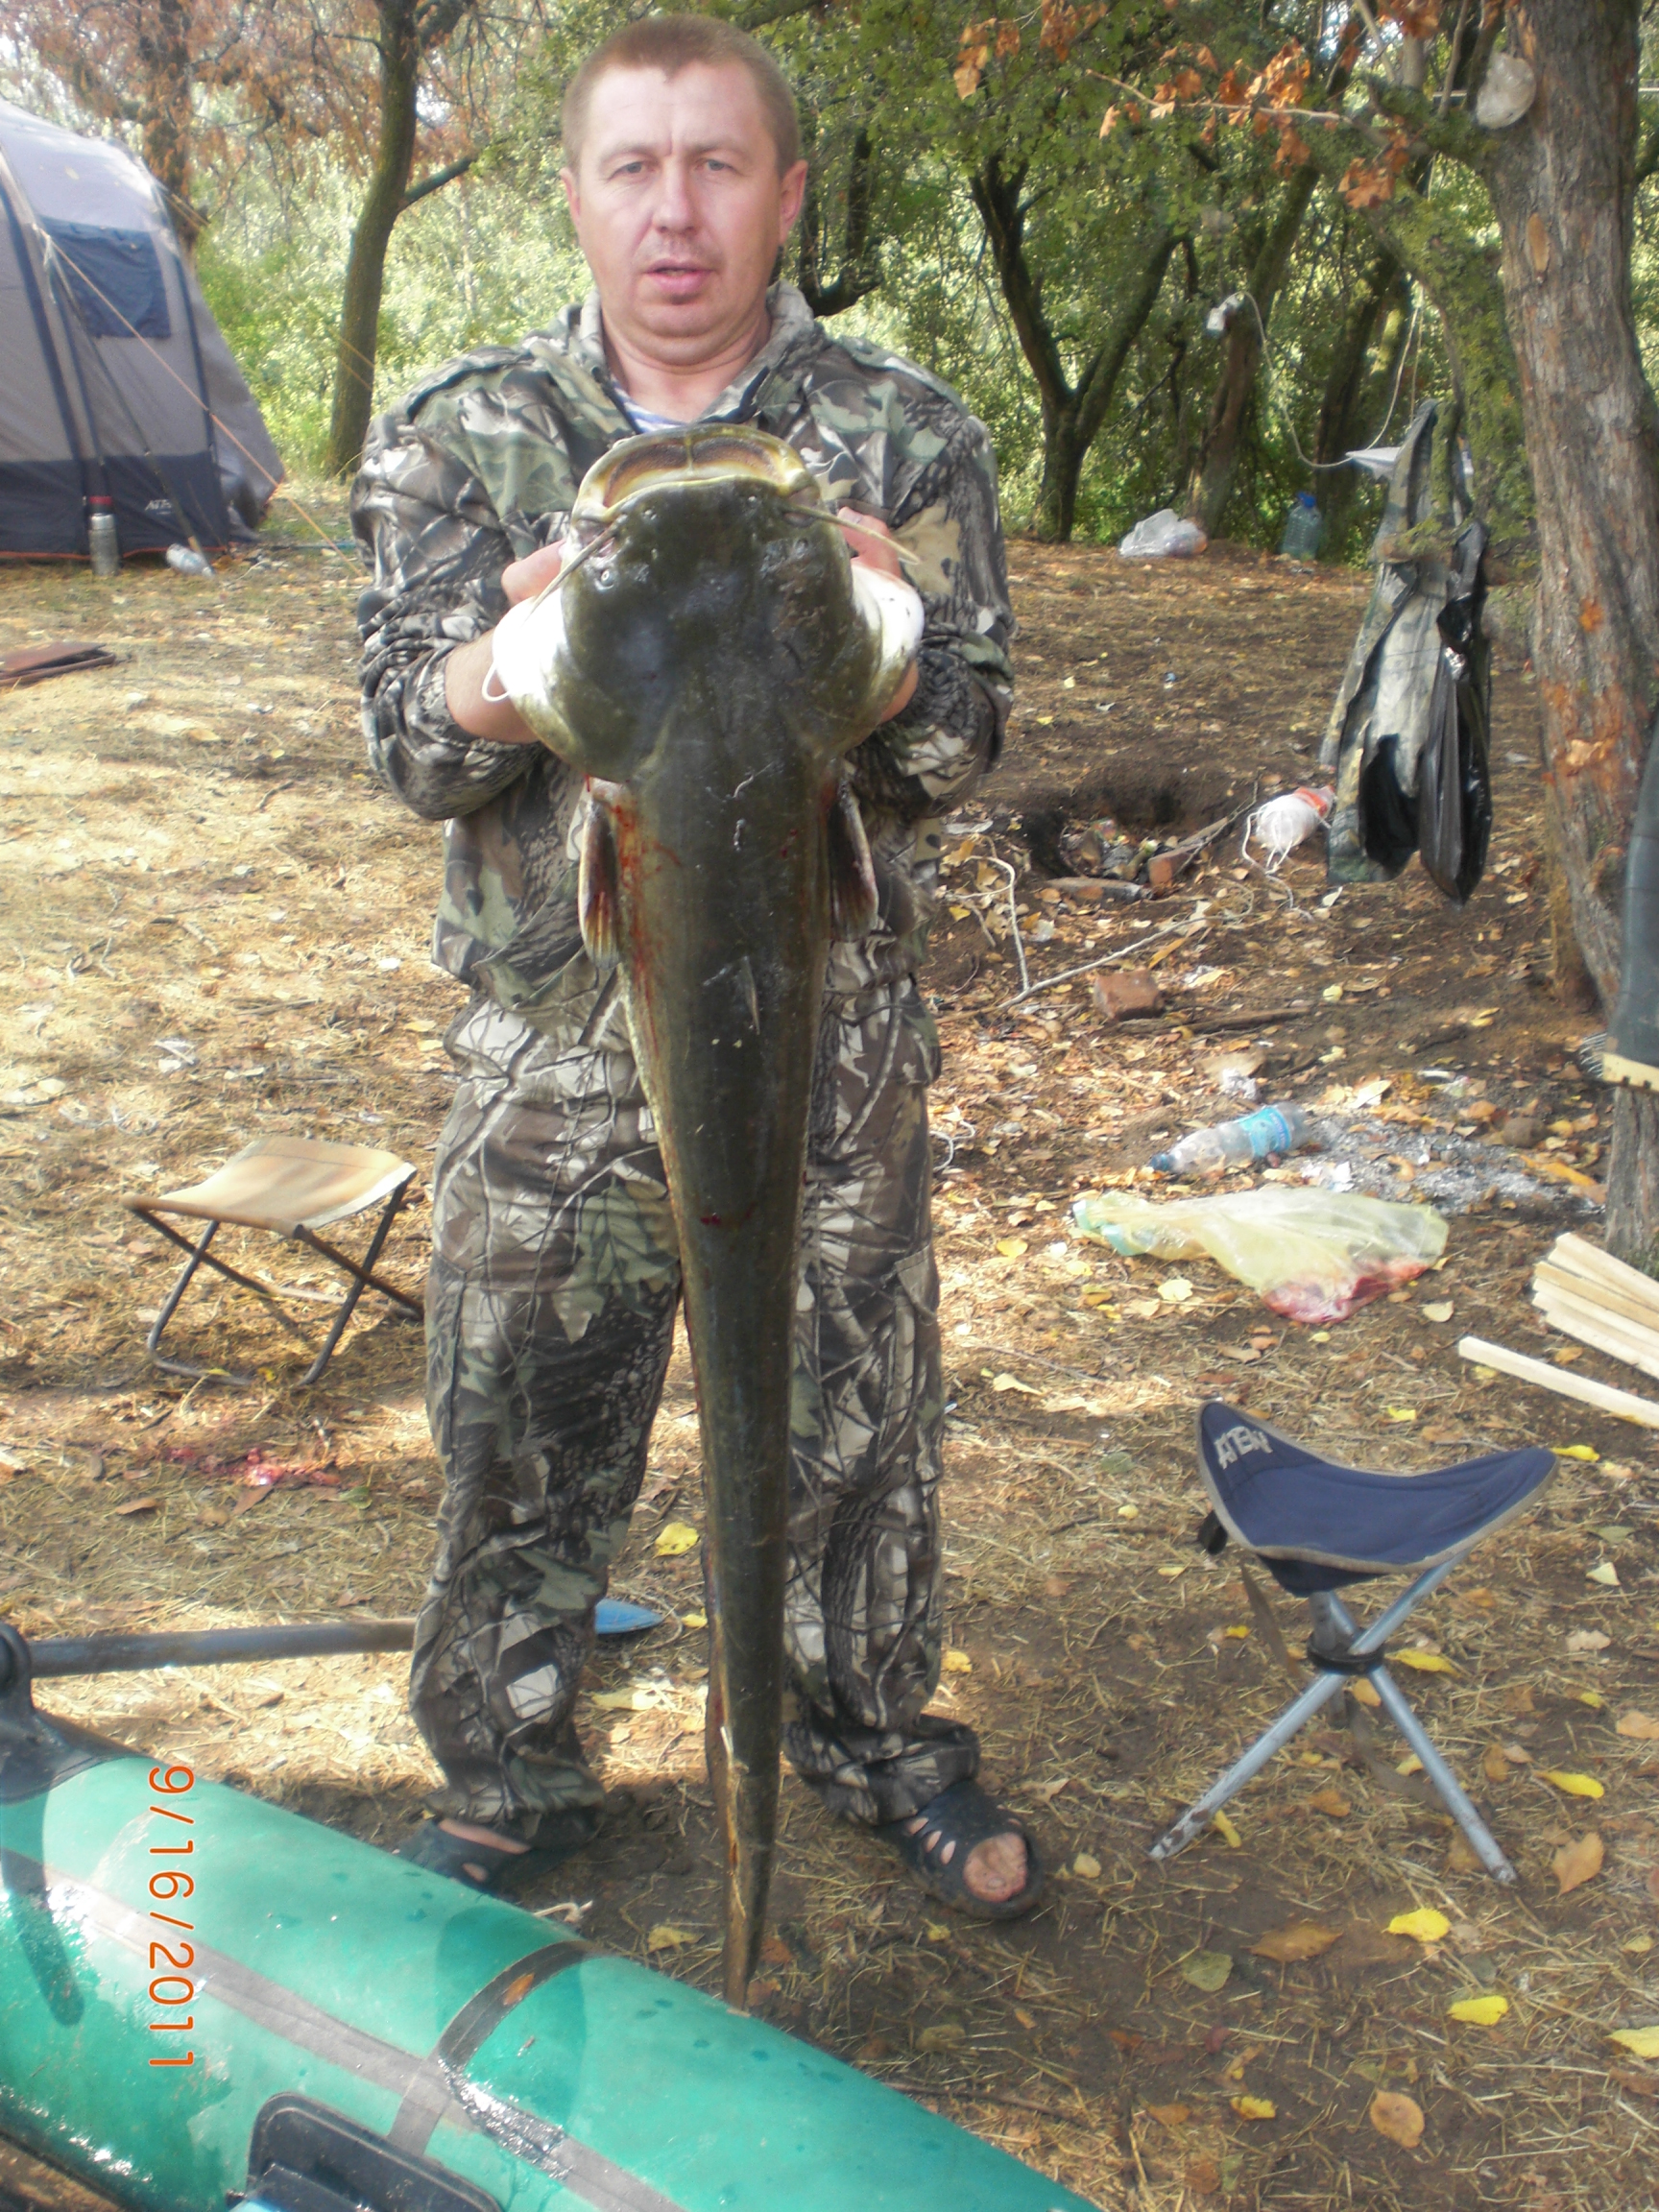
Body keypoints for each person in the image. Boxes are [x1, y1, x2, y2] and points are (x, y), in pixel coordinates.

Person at [351, 12, 1039, 1921]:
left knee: (855, 1417)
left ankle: (867, 1733)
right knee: (518, 1419)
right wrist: (513, 665)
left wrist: (889, 639)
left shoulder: (905, 432)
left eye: (719, 166)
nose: (677, 212)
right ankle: (510, 1765)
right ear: (575, 193)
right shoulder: (460, 432)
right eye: (636, 167)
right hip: (551, 1042)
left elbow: (958, 748)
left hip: (829, 1034)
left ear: (785, 194)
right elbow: (417, 748)